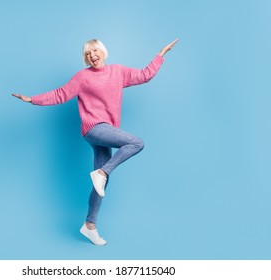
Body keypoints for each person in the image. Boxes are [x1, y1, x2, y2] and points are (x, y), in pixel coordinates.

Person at [12, 38, 178, 245]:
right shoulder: (83, 78)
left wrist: (160, 54)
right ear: (86, 58)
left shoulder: (118, 72)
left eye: (95, 51)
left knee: (101, 185)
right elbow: (60, 94)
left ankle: (89, 225)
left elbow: (145, 75)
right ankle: (102, 172)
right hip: (92, 128)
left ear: (103, 52)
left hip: (107, 130)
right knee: (136, 143)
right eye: (88, 53)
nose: (92, 56)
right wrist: (32, 99)